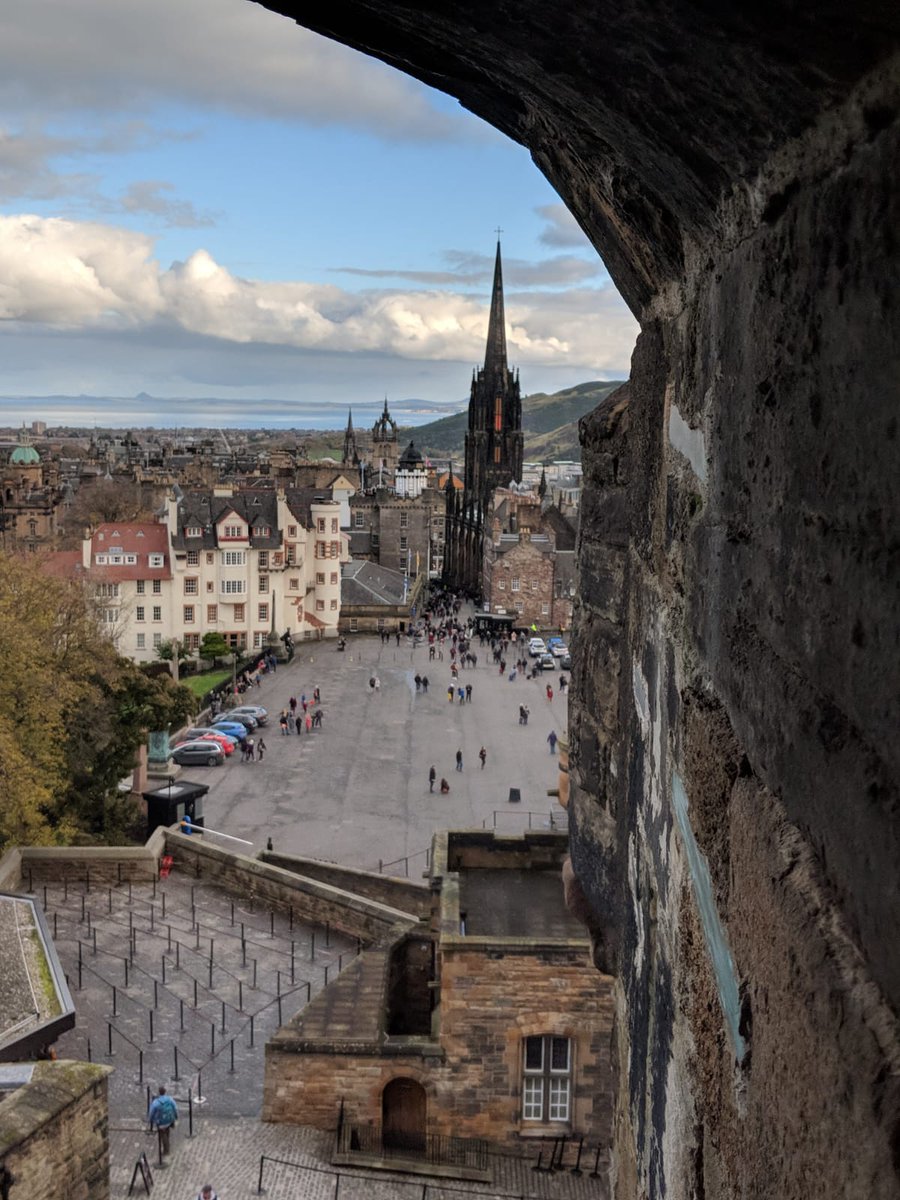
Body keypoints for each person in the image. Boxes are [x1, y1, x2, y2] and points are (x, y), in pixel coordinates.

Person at [148, 1085, 178, 1156]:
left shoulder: (156, 1102)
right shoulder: (170, 1099)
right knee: (167, 1131)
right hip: (170, 1119)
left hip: (161, 1122)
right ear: (165, 1092)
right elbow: (175, 1108)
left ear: (159, 1092)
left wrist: (151, 1120)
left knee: (162, 1134)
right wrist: (175, 1117)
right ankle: (167, 1143)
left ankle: (166, 1150)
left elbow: (151, 1112)